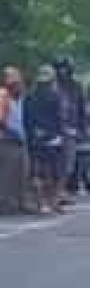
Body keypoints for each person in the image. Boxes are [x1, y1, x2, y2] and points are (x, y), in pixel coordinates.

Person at [24, 64, 65, 214]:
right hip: (52, 139)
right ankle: (52, 203)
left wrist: (31, 135)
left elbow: (26, 120)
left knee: (37, 172)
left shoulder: (29, 96)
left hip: (34, 139)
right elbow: (59, 118)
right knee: (54, 172)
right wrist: (59, 134)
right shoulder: (55, 96)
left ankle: (40, 204)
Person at [0, 67, 29, 215]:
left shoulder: (21, 98)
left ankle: (21, 203)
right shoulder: (2, 95)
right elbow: (0, 121)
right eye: (14, 83)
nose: (17, 86)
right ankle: (5, 204)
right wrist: (12, 134)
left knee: (22, 174)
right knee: (7, 175)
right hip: (8, 142)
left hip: (22, 141)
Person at [54, 57, 85, 200]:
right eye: (60, 68)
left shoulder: (76, 87)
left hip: (71, 130)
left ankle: (64, 190)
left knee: (69, 163)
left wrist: (81, 129)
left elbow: (81, 110)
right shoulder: (53, 86)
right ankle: (57, 193)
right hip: (55, 130)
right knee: (56, 163)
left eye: (66, 68)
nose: (63, 71)